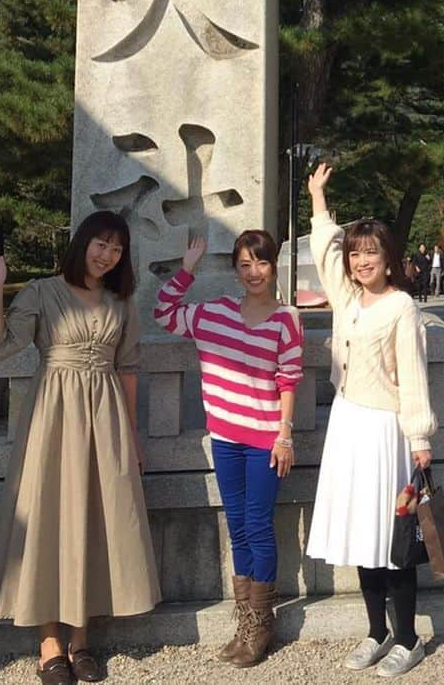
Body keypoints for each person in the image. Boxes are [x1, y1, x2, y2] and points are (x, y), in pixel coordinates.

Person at [0, 212, 160, 685]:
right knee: (49, 519)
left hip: (105, 420)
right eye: (101, 244)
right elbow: (2, 344)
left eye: (117, 249)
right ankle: (49, 645)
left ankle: (81, 640)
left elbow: (127, 368)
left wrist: (131, 436)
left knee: (94, 518)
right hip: (53, 418)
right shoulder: (42, 291)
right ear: (83, 241)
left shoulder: (120, 301)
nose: (107, 255)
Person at [305, 163, 436, 678]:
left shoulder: (401, 307)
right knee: (363, 534)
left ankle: (408, 638)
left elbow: (414, 377)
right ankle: (376, 631)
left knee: (393, 536)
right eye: (355, 253)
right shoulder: (347, 299)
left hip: (386, 428)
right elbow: (323, 251)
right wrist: (318, 198)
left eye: (371, 252)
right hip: (347, 423)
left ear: (389, 258)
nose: (361, 261)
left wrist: (421, 438)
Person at [153, 228, 303, 666]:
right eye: (244, 263)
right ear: (235, 270)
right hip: (225, 437)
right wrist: (187, 269)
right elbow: (164, 312)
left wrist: (285, 433)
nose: (253, 271)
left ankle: (261, 623)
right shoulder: (213, 314)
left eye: (261, 262)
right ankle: (245, 622)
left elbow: (288, 379)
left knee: (258, 525)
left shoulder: (286, 318)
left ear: (274, 265)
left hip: (265, 441)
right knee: (237, 527)